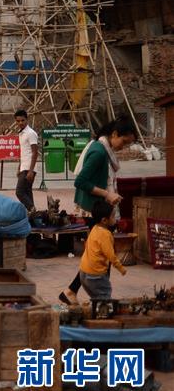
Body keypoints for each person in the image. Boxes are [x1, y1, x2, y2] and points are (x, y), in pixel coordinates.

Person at [59, 117, 137, 304]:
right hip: (97, 210)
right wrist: (107, 194)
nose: (123, 147)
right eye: (124, 142)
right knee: (102, 253)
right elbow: (80, 181)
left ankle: (72, 291)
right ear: (114, 134)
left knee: (95, 253)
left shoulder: (102, 148)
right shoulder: (100, 153)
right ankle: (102, 298)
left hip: (99, 208)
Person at [78, 200, 126, 299]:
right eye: (113, 216)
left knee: (97, 299)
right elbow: (111, 255)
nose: (115, 218)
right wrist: (121, 268)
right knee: (104, 297)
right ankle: (104, 313)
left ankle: (96, 312)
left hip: (83, 273)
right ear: (104, 220)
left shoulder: (94, 228)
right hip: (96, 275)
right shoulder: (105, 234)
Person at [15, 109, 40, 211]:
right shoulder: (21, 133)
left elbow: (35, 152)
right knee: (27, 191)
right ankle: (33, 215)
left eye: (23, 120)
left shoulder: (31, 133)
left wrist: (31, 171)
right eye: (18, 121)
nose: (20, 123)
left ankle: (32, 208)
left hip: (29, 168)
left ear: (27, 120)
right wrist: (19, 167)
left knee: (19, 192)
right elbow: (24, 152)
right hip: (24, 167)